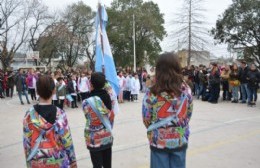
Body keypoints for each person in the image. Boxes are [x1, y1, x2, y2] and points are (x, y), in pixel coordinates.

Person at [142, 52, 193, 168]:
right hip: (179, 138)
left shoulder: (152, 92)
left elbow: (146, 119)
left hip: (158, 140)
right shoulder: (186, 90)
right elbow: (188, 114)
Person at [23, 75, 77, 168]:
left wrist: (29, 162)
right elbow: (67, 140)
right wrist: (73, 161)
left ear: (37, 91)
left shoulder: (29, 114)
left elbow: (26, 143)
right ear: (54, 91)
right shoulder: (60, 113)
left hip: (37, 161)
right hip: (58, 161)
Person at [82, 72, 114, 168]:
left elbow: (87, 116)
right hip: (106, 136)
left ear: (91, 83)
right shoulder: (108, 96)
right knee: (108, 164)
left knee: (97, 165)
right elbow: (110, 115)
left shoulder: (87, 100)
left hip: (93, 138)